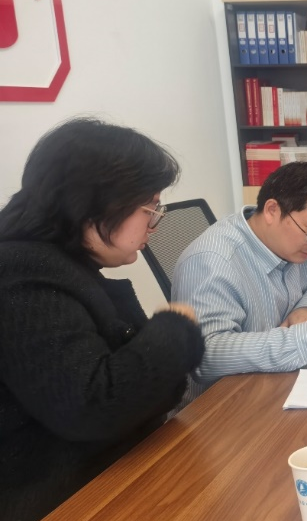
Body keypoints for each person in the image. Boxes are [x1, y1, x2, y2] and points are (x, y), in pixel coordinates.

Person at [0, 118, 205, 521]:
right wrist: (174, 330)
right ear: (92, 205)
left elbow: (154, 391)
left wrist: (161, 352)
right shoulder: (21, 274)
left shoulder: (69, 266)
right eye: (150, 209)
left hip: (122, 470)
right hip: (68, 499)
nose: (154, 225)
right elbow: (94, 407)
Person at [172, 161, 307, 409]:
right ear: (272, 210)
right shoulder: (213, 261)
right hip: (220, 409)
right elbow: (206, 356)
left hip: (273, 387)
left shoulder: (291, 245)